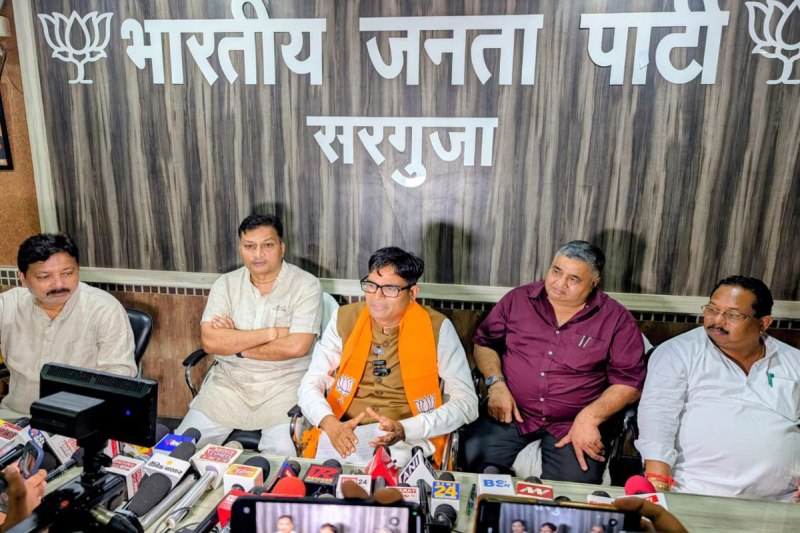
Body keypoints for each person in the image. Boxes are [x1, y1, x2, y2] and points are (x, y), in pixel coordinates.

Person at [463, 240, 645, 483]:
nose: (559, 284)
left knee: (573, 488)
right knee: (470, 461)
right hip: (513, 411)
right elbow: (485, 343)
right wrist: (496, 384)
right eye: (556, 271)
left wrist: (590, 417)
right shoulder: (518, 299)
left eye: (573, 279)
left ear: (594, 282)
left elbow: (629, 383)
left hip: (574, 423)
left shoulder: (617, 320)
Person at [297, 247, 478, 467]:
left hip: (406, 439)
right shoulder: (344, 318)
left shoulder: (437, 327)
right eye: (371, 285)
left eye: (390, 288)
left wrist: (406, 429)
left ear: (412, 293)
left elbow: (467, 402)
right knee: (324, 479)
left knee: (391, 472)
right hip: (343, 429)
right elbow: (311, 382)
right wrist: (329, 423)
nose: (377, 296)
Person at [635, 276, 800, 501]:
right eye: (712, 309)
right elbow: (657, 422)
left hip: (782, 500)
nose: (717, 320)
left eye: (733, 315)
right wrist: (659, 490)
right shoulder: (678, 352)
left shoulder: (794, 362)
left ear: (763, 323)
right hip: (694, 493)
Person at [176, 214, 322, 452]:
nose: (258, 254)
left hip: (284, 385)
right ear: (241, 249)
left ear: (282, 248)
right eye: (250, 246)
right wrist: (272, 333)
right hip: (228, 384)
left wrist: (236, 344)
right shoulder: (226, 284)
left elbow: (297, 347)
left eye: (267, 245)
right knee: (179, 449)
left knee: (284, 455)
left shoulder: (306, 285)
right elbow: (210, 341)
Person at [0, 233, 136, 420]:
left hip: (79, 420)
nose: (59, 284)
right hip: (15, 416)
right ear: (23, 278)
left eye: (68, 273)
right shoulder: (8, 305)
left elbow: (119, 376)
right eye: (45, 276)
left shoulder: (104, 309)